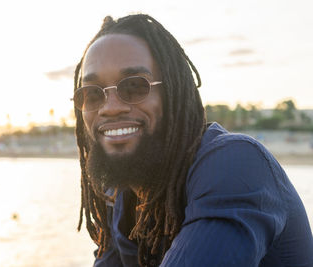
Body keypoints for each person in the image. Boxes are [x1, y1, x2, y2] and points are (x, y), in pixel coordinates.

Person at [72, 14, 313, 267]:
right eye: (92, 93)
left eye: (134, 86)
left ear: (173, 93)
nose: (109, 108)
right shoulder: (122, 194)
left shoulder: (235, 166)